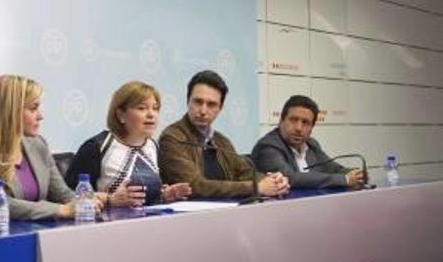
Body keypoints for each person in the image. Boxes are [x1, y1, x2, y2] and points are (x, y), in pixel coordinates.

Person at [0, 74, 101, 220]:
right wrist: (60, 210)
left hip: (37, 234)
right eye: (33, 108)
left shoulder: (38, 145)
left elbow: (62, 194)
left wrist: (84, 203)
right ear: (10, 112)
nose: (40, 116)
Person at [159, 70, 289, 198]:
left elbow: (245, 173)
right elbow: (195, 186)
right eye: (198, 102)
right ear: (188, 102)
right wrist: (256, 187)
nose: (203, 110)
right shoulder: (172, 138)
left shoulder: (222, 141)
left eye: (211, 104)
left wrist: (273, 181)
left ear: (220, 108)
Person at [65, 81, 191, 207]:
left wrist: (164, 196)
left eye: (155, 108)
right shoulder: (97, 147)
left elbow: (147, 198)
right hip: (108, 224)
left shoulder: (152, 145)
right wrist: (110, 200)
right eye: (142, 108)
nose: (151, 114)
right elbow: (68, 195)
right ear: (121, 115)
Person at [251, 95, 366, 189]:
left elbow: (333, 169)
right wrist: (344, 179)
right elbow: (291, 178)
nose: (299, 128)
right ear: (281, 121)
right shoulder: (268, 147)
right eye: (293, 120)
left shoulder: (311, 144)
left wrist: (357, 174)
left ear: (312, 127)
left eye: (305, 122)